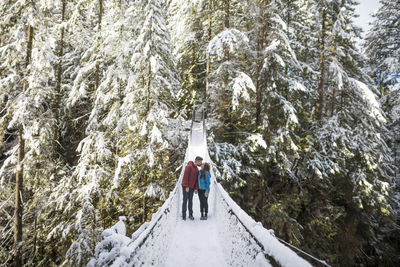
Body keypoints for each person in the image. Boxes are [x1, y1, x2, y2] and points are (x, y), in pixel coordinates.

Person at [181, 156, 202, 220]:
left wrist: (196, 188)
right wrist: (186, 186)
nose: (201, 163)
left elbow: (196, 180)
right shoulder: (188, 166)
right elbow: (185, 177)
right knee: (185, 201)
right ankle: (184, 215)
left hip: (192, 187)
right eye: (200, 162)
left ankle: (190, 214)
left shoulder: (197, 169)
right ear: (197, 161)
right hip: (186, 187)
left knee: (190, 201)